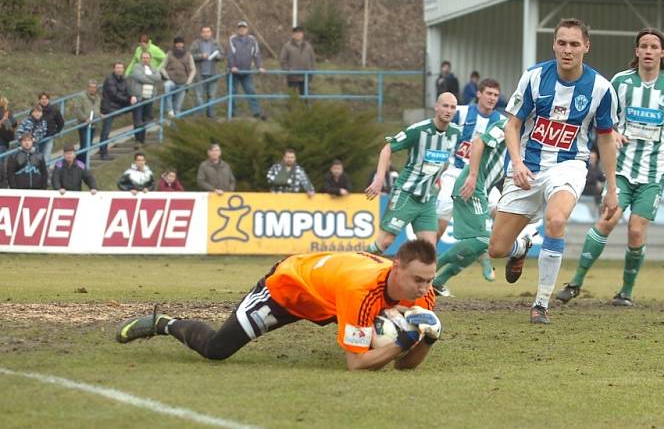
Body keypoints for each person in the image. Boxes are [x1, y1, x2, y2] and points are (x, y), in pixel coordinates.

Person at [116, 240, 441, 371]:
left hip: (330, 299)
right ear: (397, 266)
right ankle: (164, 323)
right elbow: (357, 365)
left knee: (379, 338)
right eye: (418, 280)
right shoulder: (362, 291)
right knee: (217, 349)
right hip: (290, 288)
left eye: (429, 280)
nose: (424, 288)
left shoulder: (423, 295)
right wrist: (401, 340)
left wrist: (425, 339)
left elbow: (401, 365)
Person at [486, 18, 619, 325]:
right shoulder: (534, 77)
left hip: (569, 165)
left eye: (574, 44)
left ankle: (541, 304)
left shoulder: (601, 88)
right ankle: (521, 247)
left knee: (556, 220)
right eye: (562, 43)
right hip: (528, 168)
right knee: (497, 249)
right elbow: (513, 124)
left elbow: (606, 137)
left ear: (586, 46)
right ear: (554, 44)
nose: (567, 50)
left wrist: (611, 188)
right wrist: (517, 163)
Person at [555, 27, 664, 309]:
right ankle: (576, 282)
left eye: (654, 47)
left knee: (636, 231)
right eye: (644, 46)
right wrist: (614, 133)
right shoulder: (620, 82)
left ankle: (626, 292)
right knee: (607, 220)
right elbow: (605, 117)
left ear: (662, 52)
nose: (649, 51)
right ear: (637, 51)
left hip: (653, 174)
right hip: (621, 169)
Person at [365, 93, 461, 253]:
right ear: (436, 107)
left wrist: (438, 177)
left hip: (428, 199)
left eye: (452, 107)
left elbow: (443, 159)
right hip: (406, 194)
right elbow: (387, 148)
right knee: (385, 242)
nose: (449, 110)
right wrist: (379, 180)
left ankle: (412, 278)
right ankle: (356, 268)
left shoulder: (455, 133)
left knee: (429, 250)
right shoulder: (418, 130)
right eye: (445, 106)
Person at [433, 118, 510, 296]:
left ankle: (438, 281)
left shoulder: (525, 134)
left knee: (477, 244)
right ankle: (430, 271)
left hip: (483, 189)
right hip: (472, 185)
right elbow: (477, 142)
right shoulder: (505, 125)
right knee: (485, 240)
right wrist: (473, 176)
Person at [436, 78, 503, 281]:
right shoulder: (462, 113)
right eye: (489, 93)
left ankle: (480, 259)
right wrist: (436, 173)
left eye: (496, 95)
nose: (492, 98)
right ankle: (426, 265)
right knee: (438, 225)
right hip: (455, 172)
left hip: (483, 179)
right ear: (479, 94)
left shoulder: (500, 121)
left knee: (500, 218)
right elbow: (441, 135)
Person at [228, 21, 266, 119]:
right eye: (240, 28)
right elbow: (230, 54)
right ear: (237, 29)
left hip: (247, 71)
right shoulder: (232, 39)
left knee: (250, 91)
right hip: (234, 72)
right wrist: (232, 66)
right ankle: (231, 113)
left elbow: (256, 54)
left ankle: (256, 112)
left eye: (244, 28)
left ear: (247, 29)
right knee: (232, 93)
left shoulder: (252, 40)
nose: (242, 29)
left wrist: (259, 66)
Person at [100, 61, 137, 160]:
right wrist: (128, 99)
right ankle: (103, 153)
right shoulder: (109, 79)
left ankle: (140, 128)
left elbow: (128, 90)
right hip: (109, 108)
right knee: (106, 131)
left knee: (137, 104)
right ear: (114, 69)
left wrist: (132, 96)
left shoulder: (123, 79)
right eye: (117, 68)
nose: (119, 69)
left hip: (119, 105)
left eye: (121, 68)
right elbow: (114, 95)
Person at [190, 25, 226, 118]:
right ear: (201, 33)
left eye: (208, 32)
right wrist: (201, 56)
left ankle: (211, 115)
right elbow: (189, 56)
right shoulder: (196, 43)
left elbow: (222, 55)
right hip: (199, 75)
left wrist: (217, 57)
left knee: (212, 96)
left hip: (213, 74)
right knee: (199, 96)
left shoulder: (215, 43)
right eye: (204, 32)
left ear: (211, 33)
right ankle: (200, 115)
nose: (206, 34)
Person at [129, 51, 162, 149]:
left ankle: (142, 140)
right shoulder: (137, 67)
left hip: (149, 98)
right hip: (139, 98)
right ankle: (137, 141)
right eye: (143, 57)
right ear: (141, 58)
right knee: (137, 120)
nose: (145, 59)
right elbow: (139, 77)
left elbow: (158, 77)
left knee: (145, 120)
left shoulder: (153, 68)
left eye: (147, 57)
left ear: (150, 59)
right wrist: (152, 79)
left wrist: (146, 76)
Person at [161, 37, 196, 117]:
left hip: (183, 83)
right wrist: (167, 76)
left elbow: (193, 70)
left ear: (183, 44)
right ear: (175, 44)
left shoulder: (188, 55)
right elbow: (162, 67)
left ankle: (175, 124)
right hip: (171, 81)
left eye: (181, 43)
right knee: (167, 86)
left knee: (177, 107)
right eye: (177, 43)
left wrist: (188, 82)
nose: (179, 44)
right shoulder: (169, 54)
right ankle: (169, 109)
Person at [70, 80, 102, 164]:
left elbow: (97, 109)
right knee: (85, 145)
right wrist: (85, 118)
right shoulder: (81, 96)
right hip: (84, 124)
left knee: (89, 144)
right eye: (91, 87)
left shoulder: (97, 98)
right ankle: (79, 162)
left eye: (94, 88)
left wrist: (100, 115)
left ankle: (79, 161)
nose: (93, 89)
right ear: (87, 88)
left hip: (93, 124)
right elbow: (77, 109)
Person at [279, 26, 316, 96]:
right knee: (292, 97)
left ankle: (305, 107)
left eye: (300, 33)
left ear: (303, 34)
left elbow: (313, 59)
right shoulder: (287, 46)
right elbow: (282, 60)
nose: (298, 35)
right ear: (293, 35)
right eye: (296, 33)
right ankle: (292, 107)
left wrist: (312, 72)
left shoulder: (308, 46)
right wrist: (287, 71)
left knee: (305, 97)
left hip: (305, 76)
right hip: (292, 77)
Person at [37, 92, 65, 164]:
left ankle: (45, 173)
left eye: (46, 98)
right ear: (39, 100)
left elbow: (61, 122)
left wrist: (55, 132)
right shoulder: (35, 110)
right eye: (42, 99)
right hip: (37, 138)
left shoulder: (54, 110)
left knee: (46, 156)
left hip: (49, 136)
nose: (44, 100)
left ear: (48, 99)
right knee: (38, 157)